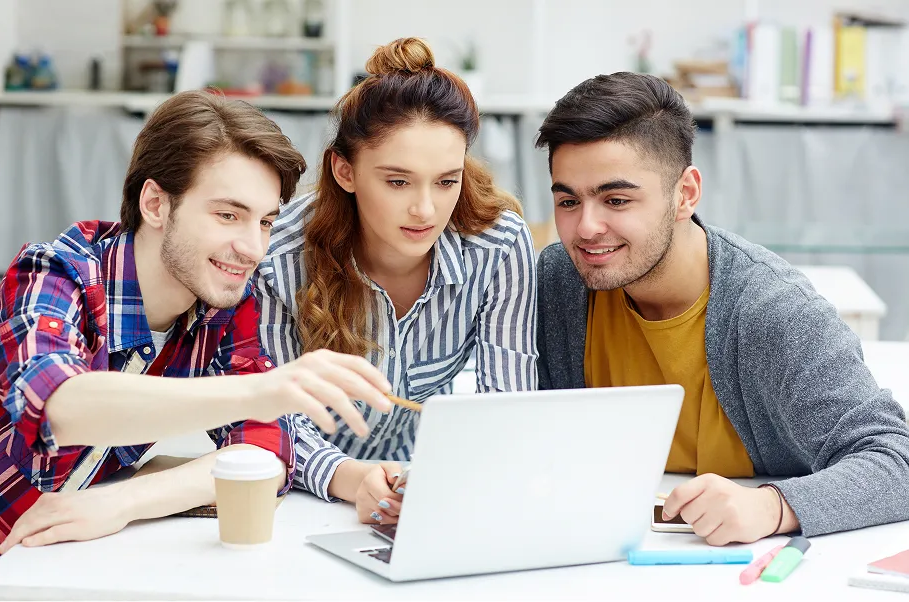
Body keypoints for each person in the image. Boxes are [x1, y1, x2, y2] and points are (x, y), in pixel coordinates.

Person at [0, 91, 393, 570]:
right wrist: (262, 389)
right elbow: (61, 406)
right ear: (155, 204)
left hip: (36, 569)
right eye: (228, 215)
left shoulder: (220, 302)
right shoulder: (53, 275)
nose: (253, 248)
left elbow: (266, 451)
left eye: (265, 222)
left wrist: (122, 503)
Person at [534, 72, 909, 544]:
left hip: (751, 567)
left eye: (617, 199)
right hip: (602, 556)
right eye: (568, 200)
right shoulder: (559, 281)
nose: (586, 228)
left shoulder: (774, 313)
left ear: (685, 193)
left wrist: (772, 506)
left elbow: (895, 460)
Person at [258, 38, 538, 525]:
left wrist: (439, 480)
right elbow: (269, 420)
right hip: (301, 500)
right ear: (344, 171)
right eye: (397, 181)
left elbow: (507, 408)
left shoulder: (498, 243)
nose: (425, 210)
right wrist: (353, 478)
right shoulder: (278, 253)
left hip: (426, 494)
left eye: (446, 181)